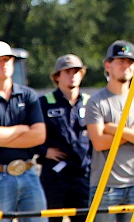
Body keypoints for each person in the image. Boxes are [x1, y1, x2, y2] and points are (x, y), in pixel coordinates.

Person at [0, 41, 47, 222]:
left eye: (8, 59)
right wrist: (20, 130)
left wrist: (0, 137)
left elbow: (39, 135)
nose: (5, 64)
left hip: (28, 171)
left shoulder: (28, 95)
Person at [86, 40, 134, 222]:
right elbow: (99, 143)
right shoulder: (96, 102)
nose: (126, 66)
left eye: (130, 62)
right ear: (108, 65)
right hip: (105, 186)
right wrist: (133, 133)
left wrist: (114, 129)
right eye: (120, 61)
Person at [39, 55, 91, 222]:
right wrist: (44, 151)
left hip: (83, 175)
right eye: (67, 71)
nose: (73, 75)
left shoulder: (90, 103)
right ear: (57, 76)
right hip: (55, 175)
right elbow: (30, 133)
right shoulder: (44, 103)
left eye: (77, 71)